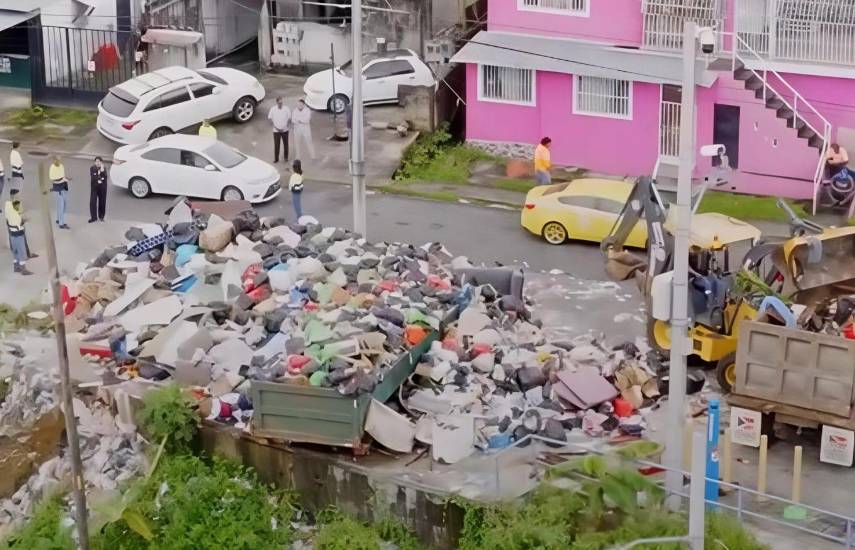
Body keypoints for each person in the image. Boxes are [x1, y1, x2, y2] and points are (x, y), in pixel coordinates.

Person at [5, 199, 32, 275]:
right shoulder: (16, 216)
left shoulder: (9, 213)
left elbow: (8, 204)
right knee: (21, 251)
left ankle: (16, 266)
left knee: (15, 250)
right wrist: (26, 220)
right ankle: (23, 269)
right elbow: (21, 223)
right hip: (18, 234)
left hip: (12, 234)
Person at [267, 97, 291, 163]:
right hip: (276, 131)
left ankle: (286, 157)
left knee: (286, 144)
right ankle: (276, 159)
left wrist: (285, 127)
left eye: (282, 103)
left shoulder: (286, 108)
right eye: (279, 103)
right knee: (276, 145)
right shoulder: (273, 109)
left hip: (285, 130)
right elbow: (270, 119)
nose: (281, 104)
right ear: (277, 102)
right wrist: (276, 128)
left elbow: (289, 118)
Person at [49, 156, 70, 229]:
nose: (58, 162)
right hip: (57, 189)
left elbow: (63, 176)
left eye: (59, 160)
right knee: (61, 205)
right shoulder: (52, 168)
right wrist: (62, 180)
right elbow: (53, 180)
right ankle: (61, 223)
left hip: (64, 187)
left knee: (63, 205)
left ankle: (58, 219)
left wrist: (66, 179)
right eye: (57, 160)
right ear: (54, 160)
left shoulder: (61, 166)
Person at [89, 156, 108, 223]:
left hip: (102, 188)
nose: (97, 163)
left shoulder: (104, 168)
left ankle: (101, 216)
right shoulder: (92, 168)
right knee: (92, 202)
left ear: (101, 162)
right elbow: (93, 177)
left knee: (102, 202)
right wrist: (98, 180)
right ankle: (93, 217)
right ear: (95, 162)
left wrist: (102, 171)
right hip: (94, 187)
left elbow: (105, 177)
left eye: (99, 161)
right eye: (96, 161)